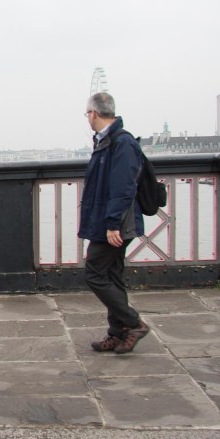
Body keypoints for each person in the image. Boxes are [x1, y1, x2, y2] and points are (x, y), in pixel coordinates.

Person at [79, 92, 149, 354]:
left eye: (87, 113)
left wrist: (111, 225)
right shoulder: (106, 142)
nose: (87, 118)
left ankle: (134, 324)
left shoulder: (122, 143)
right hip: (108, 221)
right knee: (112, 276)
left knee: (94, 273)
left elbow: (123, 188)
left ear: (94, 113)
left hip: (116, 224)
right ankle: (118, 333)